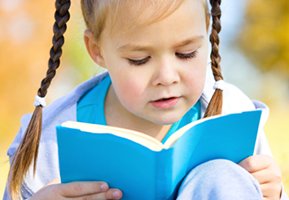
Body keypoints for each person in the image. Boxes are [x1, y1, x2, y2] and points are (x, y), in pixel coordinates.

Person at [3, 0, 288, 199]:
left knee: (221, 175)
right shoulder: (53, 138)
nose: (166, 77)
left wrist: (271, 193)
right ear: (97, 50)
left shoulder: (232, 112)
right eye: (139, 59)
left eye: (186, 53)